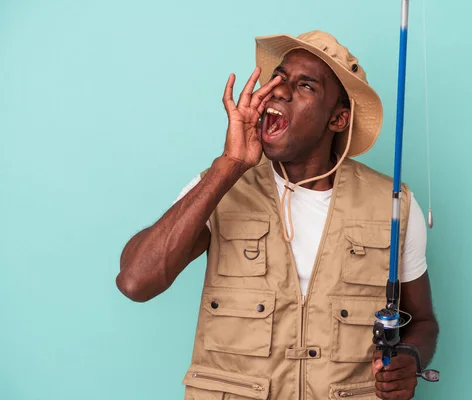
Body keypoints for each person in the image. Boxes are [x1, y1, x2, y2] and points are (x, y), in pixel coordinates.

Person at [117, 30, 439, 400]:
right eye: (279, 78)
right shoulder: (220, 186)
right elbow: (136, 281)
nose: (280, 91)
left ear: (337, 119)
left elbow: (424, 322)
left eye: (305, 86)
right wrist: (230, 165)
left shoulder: (394, 203)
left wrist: (410, 359)